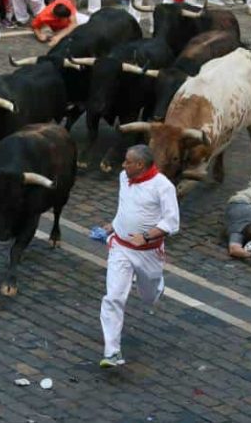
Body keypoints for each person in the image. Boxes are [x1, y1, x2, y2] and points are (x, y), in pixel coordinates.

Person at [99, 145, 180, 368]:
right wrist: (114, 225)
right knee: (113, 296)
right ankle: (112, 351)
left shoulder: (163, 187)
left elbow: (172, 222)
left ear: (140, 165)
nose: (123, 165)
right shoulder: (123, 177)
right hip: (120, 249)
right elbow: (124, 205)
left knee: (148, 297)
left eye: (127, 161)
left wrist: (145, 237)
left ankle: (157, 286)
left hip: (148, 253)